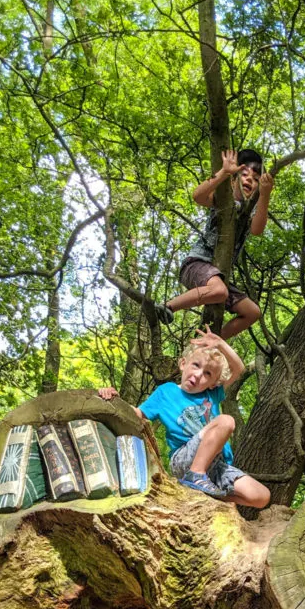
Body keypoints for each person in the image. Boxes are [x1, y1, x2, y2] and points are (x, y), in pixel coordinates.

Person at [98, 328, 271, 508]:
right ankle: (195, 475)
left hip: (216, 466)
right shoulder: (166, 392)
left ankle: (209, 493)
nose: (198, 375)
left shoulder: (212, 394)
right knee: (226, 421)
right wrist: (114, 399)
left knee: (261, 496)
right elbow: (137, 415)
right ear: (183, 363)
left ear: (214, 384)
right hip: (184, 459)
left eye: (208, 374)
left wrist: (220, 343)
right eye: (196, 365)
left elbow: (239, 368)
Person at [154, 149, 275, 339]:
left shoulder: (249, 213)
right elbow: (198, 196)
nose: (250, 180)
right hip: (196, 264)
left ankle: (210, 340)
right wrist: (224, 173)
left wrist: (265, 196)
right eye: (244, 175)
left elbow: (257, 229)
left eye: (256, 179)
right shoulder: (224, 201)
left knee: (252, 312)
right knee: (219, 291)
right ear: (234, 181)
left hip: (219, 275)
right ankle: (167, 307)